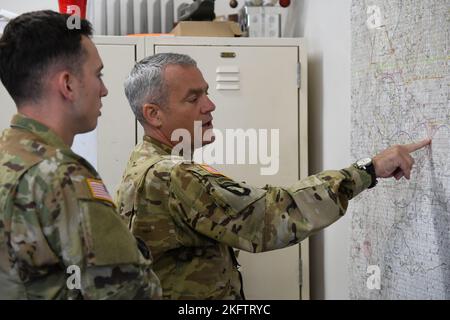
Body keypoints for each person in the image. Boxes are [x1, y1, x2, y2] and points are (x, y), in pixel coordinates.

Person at [116, 53, 431, 299]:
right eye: (193, 98)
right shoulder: (170, 175)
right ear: (153, 114)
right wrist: (369, 169)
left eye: (207, 94)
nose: (209, 105)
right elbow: (270, 215)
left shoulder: (143, 161)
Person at [0, 10, 161, 299]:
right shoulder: (62, 176)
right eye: (98, 74)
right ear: (68, 84)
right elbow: (130, 291)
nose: (105, 89)